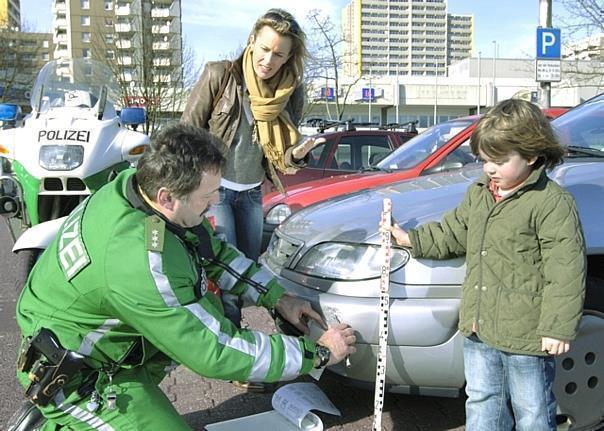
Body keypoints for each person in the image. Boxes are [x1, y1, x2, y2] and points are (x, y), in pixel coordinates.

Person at [14, 124, 356, 430]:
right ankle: (63, 420)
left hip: (101, 345)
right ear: (167, 197)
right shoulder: (136, 259)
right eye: (207, 197)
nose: (217, 201)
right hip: (79, 378)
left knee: (195, 305)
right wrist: (316, 353)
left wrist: (278, 297)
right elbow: (214, 350)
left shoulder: (133, 193)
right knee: (196, 319)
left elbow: (211, 253)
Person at [386, 99, 586, 431]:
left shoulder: (552, 203)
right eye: (484, 160)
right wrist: (412, 240)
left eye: (500, 160)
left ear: (531, 156)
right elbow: (454, 231)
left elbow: (565, 269)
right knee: (481, 399)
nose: (490, 169)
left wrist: (557, 327)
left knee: (533, 409)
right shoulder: (480, 193)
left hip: (528, 334)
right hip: (480, 327)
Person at [181, 8, 324, 331]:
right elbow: (187, 131)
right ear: (251, 42)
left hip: (251, 193)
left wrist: (298, 154)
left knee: (248, 272)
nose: (268, 60)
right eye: (264, 49)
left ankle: (244, 335)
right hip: (216, 191)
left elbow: (281, 154)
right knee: (229, 273)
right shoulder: (221, 76)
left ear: (288, 59)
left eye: (278, 55)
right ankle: (232, 345)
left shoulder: (289, 92)